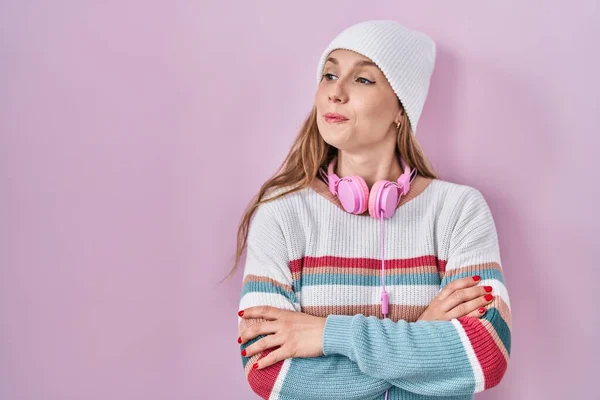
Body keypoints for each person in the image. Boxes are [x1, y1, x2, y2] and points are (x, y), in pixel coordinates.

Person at [231, 20, 512, 399]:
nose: (336, 93)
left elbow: (484, 356)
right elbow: (271, 376)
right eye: (329, 75)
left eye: (363, 80)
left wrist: (325, 333)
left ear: (401, 107)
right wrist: (425, 334)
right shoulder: (281, 215)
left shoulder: (458, 211)